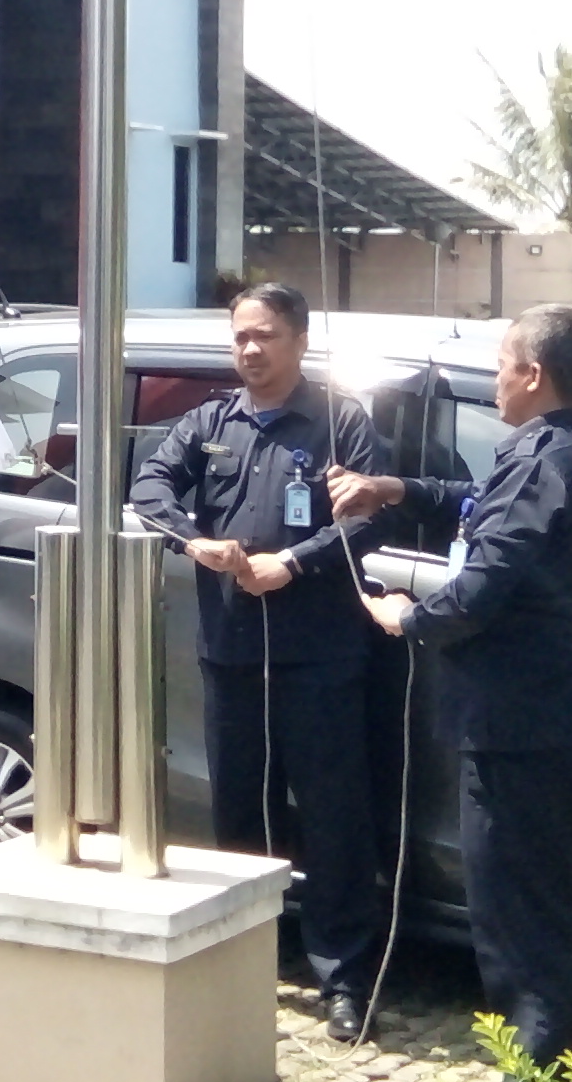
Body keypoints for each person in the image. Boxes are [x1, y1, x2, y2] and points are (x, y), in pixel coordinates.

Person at [342, 304, 572, 1082]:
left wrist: (405, 618)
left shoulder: (545, 462)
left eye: (502, 364)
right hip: (549, 725)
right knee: (555, 926)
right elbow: (481, 504)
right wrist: (400, 488)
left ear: (532, 373)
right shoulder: (562, 451)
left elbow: (479, 590)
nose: (493, 379)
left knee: (523, 938)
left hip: (519, 736)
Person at [126, 283, 388, 1040]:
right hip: (231, 652)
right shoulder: (210, 422)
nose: (250, 349)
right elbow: (148, 486)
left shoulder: (340, 422)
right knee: (242, 811)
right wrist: (191, 540)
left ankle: (342, 978)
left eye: (265, 335)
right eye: (240, 336)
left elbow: (369, 520)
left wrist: (295, 564)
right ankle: (246, 961)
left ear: (299, 341)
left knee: (334, 816)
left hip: (320, 659)